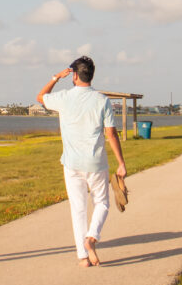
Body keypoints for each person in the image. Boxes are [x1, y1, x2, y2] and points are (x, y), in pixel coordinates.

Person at [37, 55, 127, 267]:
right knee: (102, 203)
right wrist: (121, 162)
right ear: (91, 75)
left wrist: (56, 77)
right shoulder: (102, 100)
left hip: (72, 163)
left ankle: (83, 257)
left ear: (75, 75)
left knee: (78, 209)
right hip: (96, 163)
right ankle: (92, 237)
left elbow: (41, 97)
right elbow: (111, 134)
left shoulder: (64, 97)